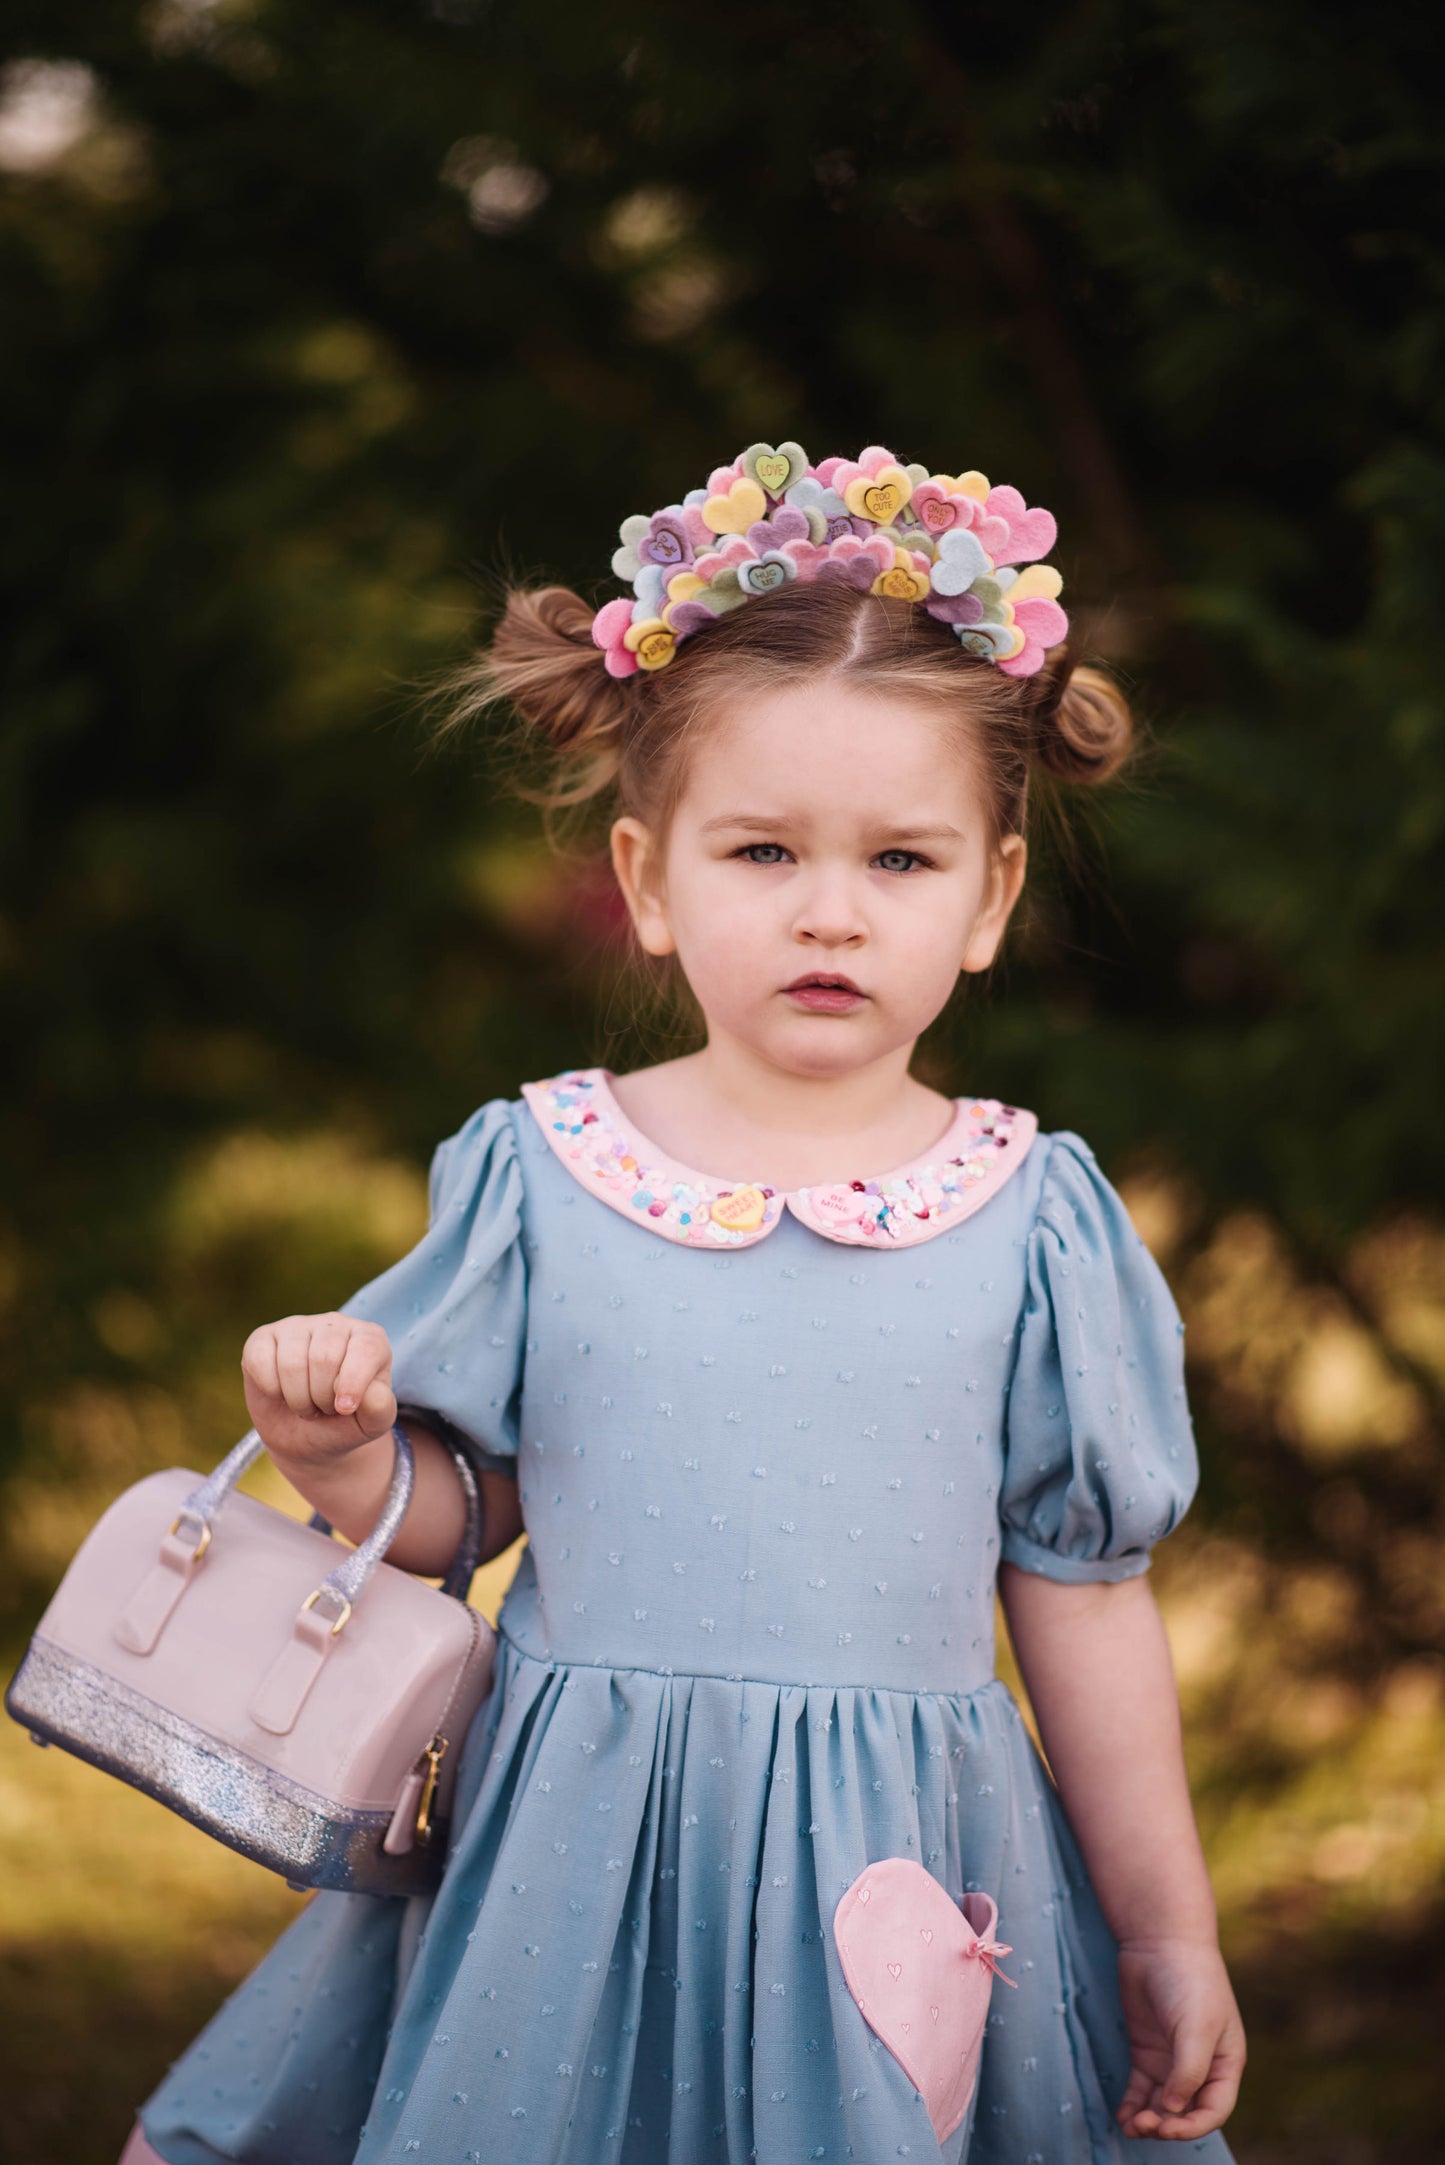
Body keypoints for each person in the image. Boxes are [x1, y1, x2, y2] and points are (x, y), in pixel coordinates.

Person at [125, 444, 1246, 2165]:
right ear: (649, 884)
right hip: (566, 1869)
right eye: (760, 850)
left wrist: (1162, 1926)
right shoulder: (546, 1174)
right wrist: (338, 1454)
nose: (826, 907)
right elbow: (457, 1521)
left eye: (898, 861)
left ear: (991, 899)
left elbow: (1083, 1604)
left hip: (907, 1852)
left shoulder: (1034, 1221)